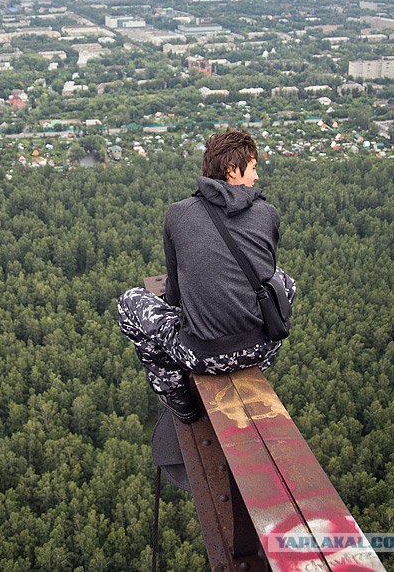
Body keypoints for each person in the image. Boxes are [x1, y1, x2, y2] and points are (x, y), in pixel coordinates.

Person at [117, 129, 296, 423]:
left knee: (129, 302)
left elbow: (174, 296)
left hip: (200, 357)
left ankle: (177, 395)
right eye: (252, 167)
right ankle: (248, 365)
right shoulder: (267, 213)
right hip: (261, 350)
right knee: (283, 280)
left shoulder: (178, 214)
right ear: (231, 171)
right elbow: (265, 277)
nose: (257, 176)